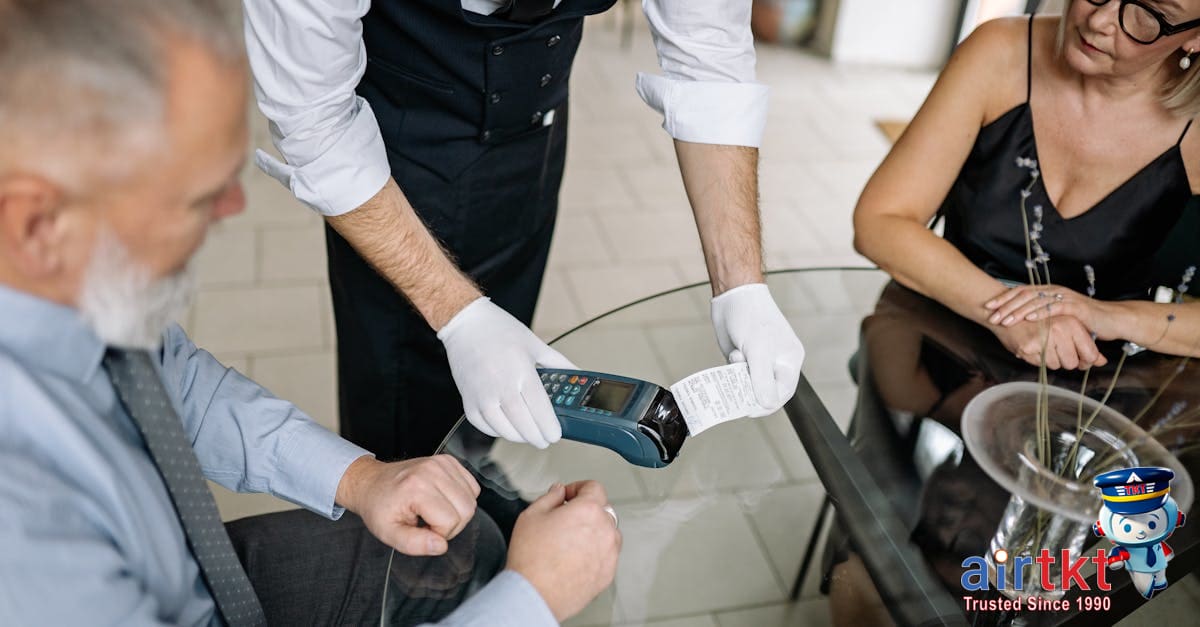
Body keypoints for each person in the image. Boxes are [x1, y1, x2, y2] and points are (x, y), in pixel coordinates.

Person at [0, 1, 619, 625]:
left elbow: (173, 385)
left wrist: (361, 479)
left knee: (459, 549)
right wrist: (533, 601)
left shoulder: (55, 293)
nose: (234, 208)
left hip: (189, 566)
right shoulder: (30, 527)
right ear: (35, 222)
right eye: (197, 196)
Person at [243, 0, 807, 459]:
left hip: (534, 135)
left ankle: (474, 466)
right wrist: (458, 316)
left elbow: (709, 57)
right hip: (393, 161)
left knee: (508, 363)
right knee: (402, 409)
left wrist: (741, 285)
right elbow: (312, 122)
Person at [853, 0, 1200, 374]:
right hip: (931, 347)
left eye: (1147, 15)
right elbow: (879, 223)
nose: (1098, 20)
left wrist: (1103, 316)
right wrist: (1012, 315)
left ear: (1195, 37)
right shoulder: (1000, 52)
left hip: (1089, 385)